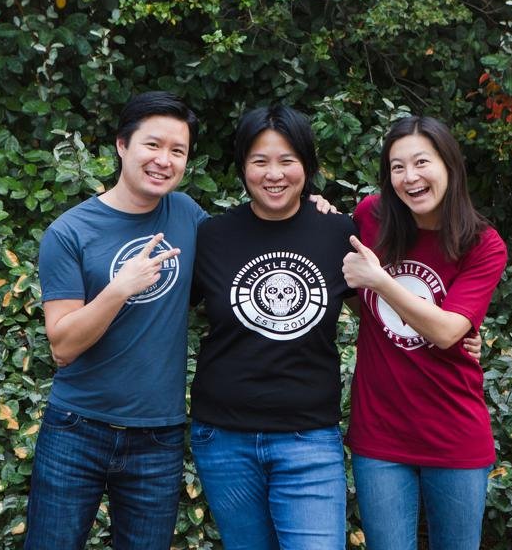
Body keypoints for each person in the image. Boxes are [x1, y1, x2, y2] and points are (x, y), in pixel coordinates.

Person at [25, 91, 207, 550]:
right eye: (153, 145)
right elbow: (62, 346)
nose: (164, 160)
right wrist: (121, 288)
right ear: (122, 145)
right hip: (76, 430)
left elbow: (251, 244)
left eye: (177, 151)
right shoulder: (70, 232)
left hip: (159, 436)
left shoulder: (187, 215)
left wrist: (311, 211)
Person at [188, 105, 357, 550]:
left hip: (309, 439)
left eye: (287, 160)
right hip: (222, 439)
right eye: (260, 161)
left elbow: (383, 314)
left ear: (307, 165)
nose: (274, 174)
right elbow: (162, 314)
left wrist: (459, 333)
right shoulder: (211, 236)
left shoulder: (340, 232)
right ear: (243, 167)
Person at [341, 115, 508, 550]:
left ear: (449, 165)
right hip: (379, 435)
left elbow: (449, 331)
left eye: (421, 162)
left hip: (453, 433)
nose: (409, 177)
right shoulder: (370, 218)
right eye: (397, 167)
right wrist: (318, 209)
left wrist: (380, 281)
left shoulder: (482, 244)